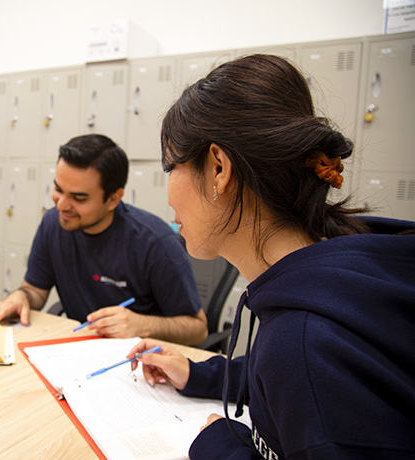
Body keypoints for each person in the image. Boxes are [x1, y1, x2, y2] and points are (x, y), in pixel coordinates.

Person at [126, 54, 415, 459]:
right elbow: (286, 381)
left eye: (171, 167)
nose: (168, 190)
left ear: (218, 169)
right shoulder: (331, 274)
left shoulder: (304, 342)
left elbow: (302, 372)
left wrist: (220, 446)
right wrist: (197, 373)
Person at [0, 134, 207, 346]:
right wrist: (21, 297)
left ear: (113, 199)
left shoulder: (154, 242)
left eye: (78, 198)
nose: (61, 205)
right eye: (58, 189)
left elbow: (197, 329)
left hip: (138, 360)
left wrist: (142, 324)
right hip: (78, 348)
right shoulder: (53, 224)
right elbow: (35, 290)